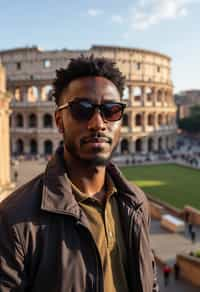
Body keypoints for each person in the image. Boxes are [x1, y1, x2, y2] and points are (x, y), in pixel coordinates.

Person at [0, 55, 158, 292]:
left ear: (121, 121)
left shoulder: (136, 202)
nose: (97, 123)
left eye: (111, 110)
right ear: (59, 121)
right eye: (81, 110)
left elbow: (148, 280)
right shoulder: (13, 219)